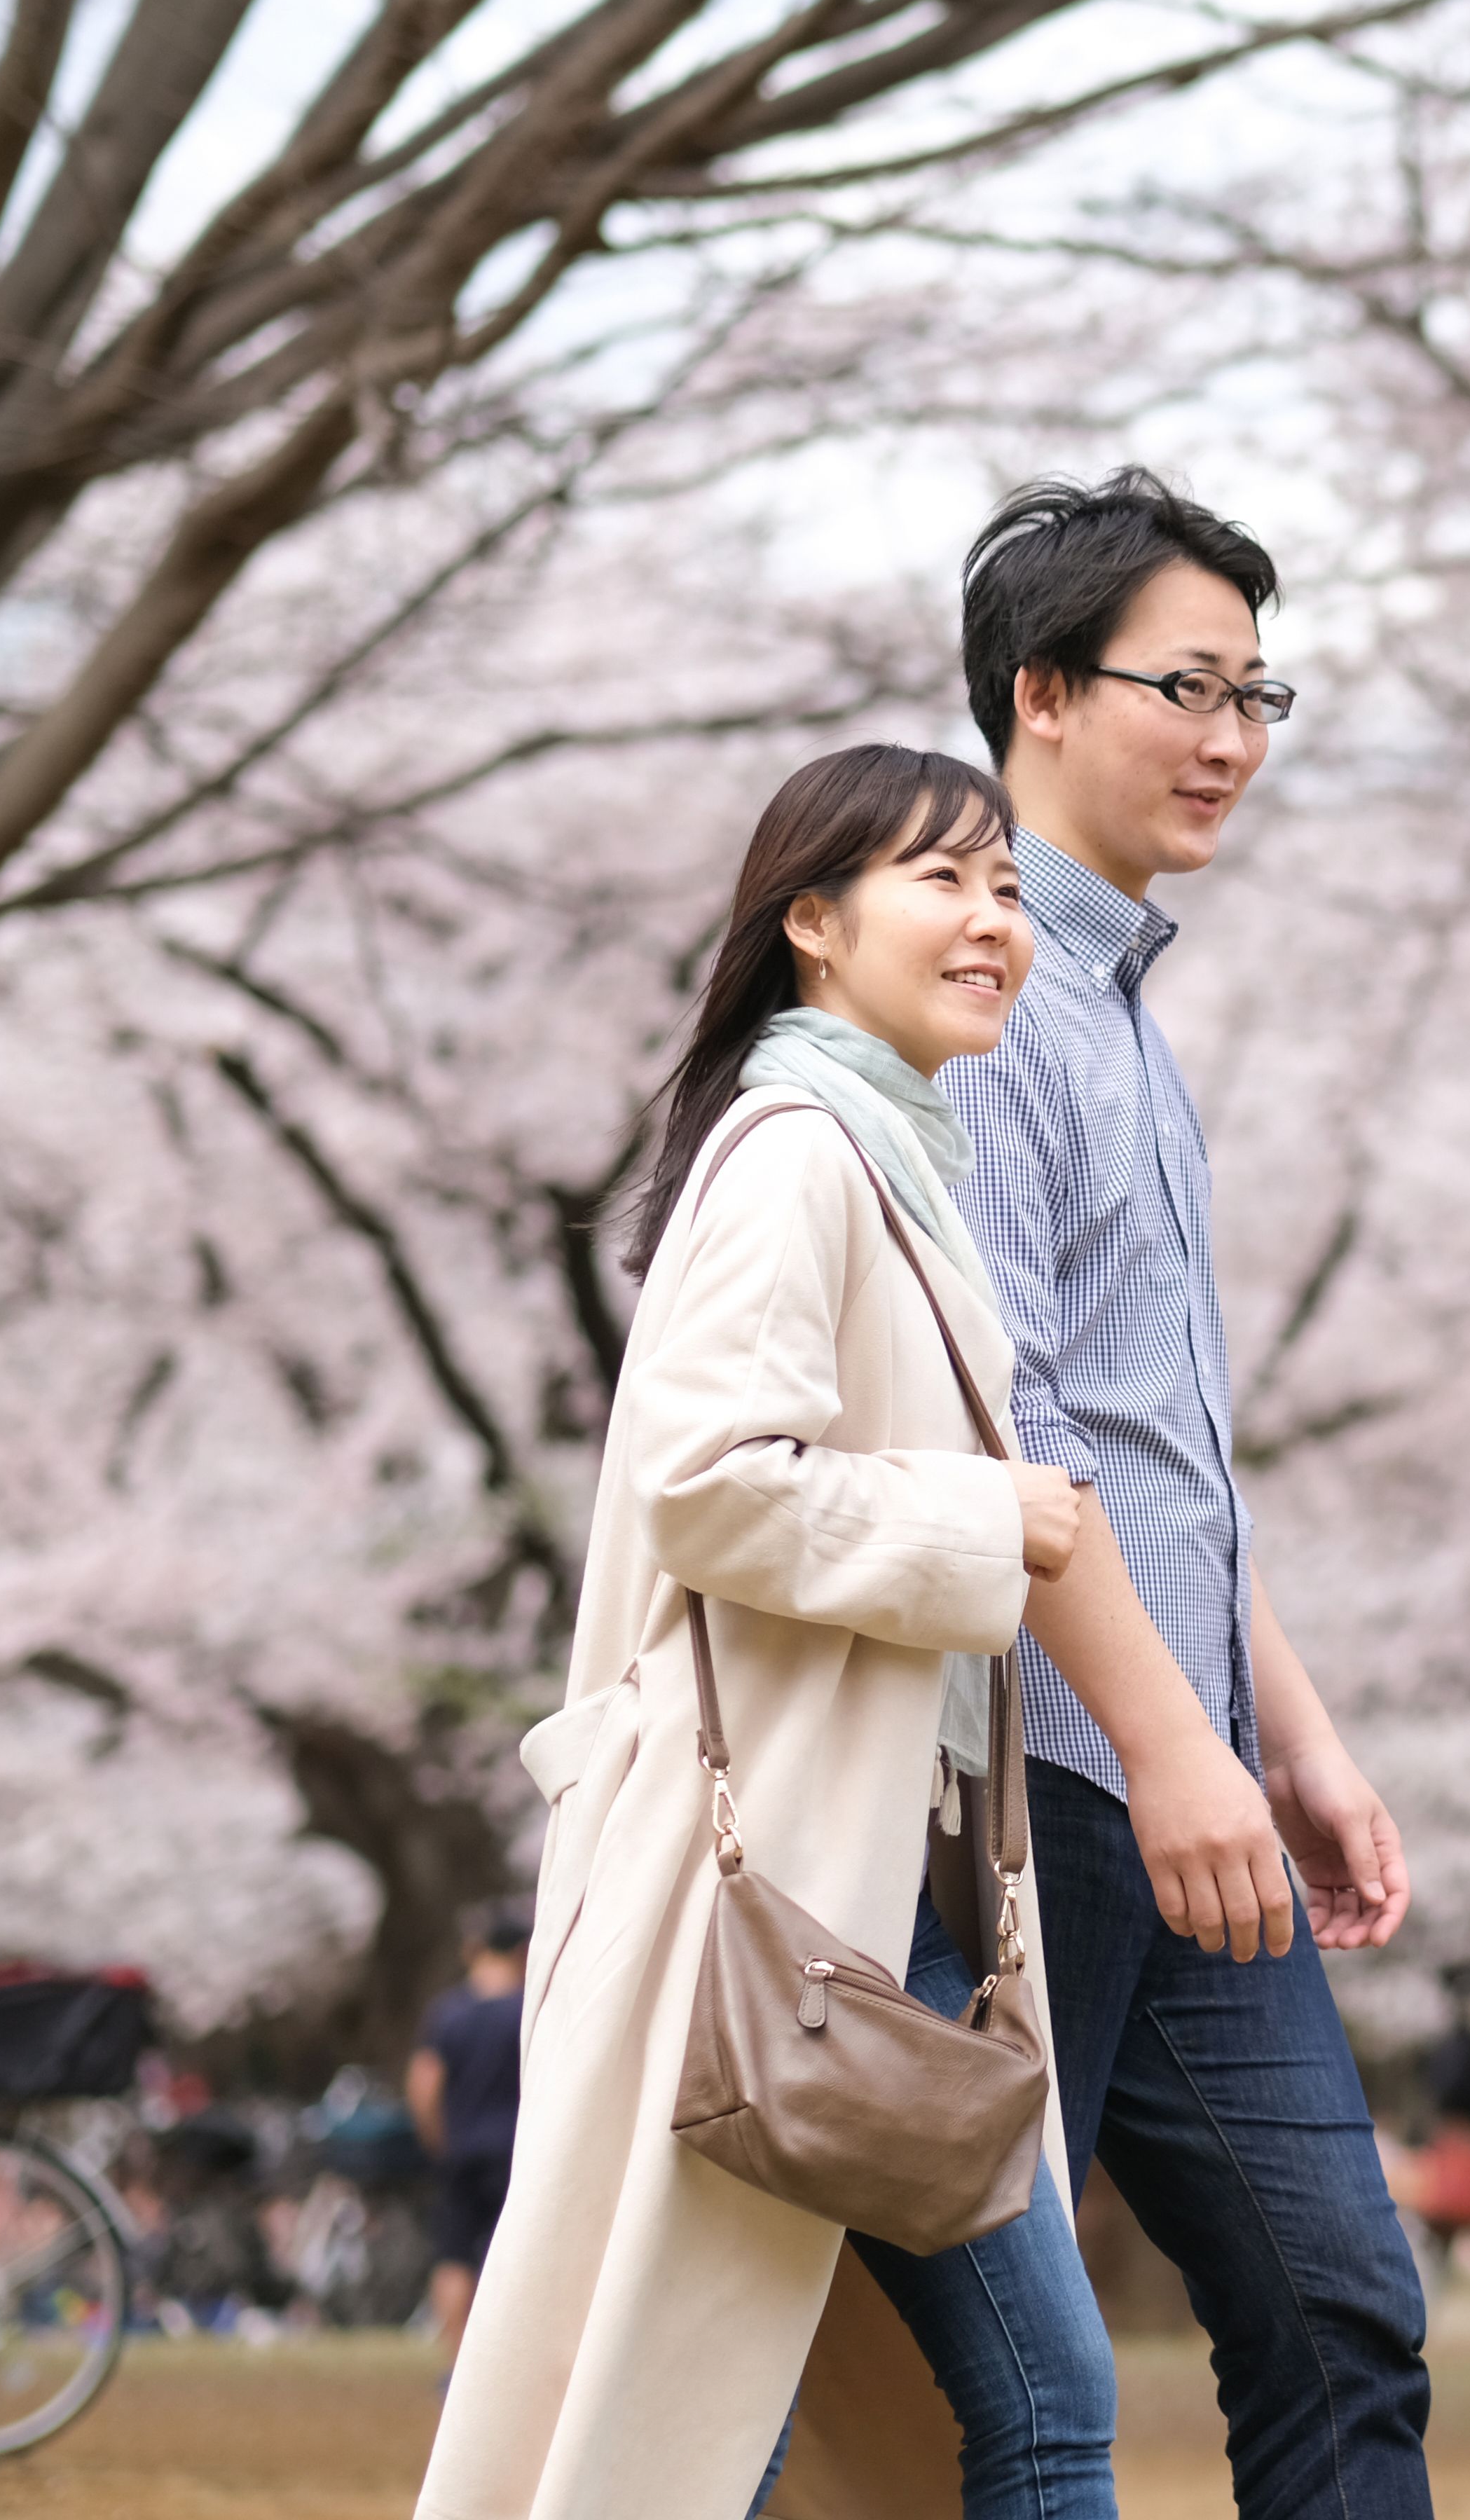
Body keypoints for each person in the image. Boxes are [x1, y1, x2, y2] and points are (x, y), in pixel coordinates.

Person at [416, 745, 1096, 2520]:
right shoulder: (801, 1152)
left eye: (1007, 887)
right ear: (811, 920)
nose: (991, 921)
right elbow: (710, 1485)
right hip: (794, 1894)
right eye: (941, 879)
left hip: (858, 1894)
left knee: (740, 2406)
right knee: (963, 2404)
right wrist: (986, 1523)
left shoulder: (874, 1154)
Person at [943, 471, 1432, 2519]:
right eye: (1189, 686)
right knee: (1000, 2391)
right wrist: (1171, 1750)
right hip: (1049, 1784)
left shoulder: (1132, 1017)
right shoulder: (979, 1004)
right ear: (1044, 693)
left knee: (1340, 2315)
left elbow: (1165, 1445)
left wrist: (1284, 1738)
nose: (1233, 738)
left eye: (1261, 694)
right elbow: (1020, 1443)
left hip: (1187, 1780)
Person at [406, 1908, 528, 2354]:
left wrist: (440, 2142)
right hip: (517, 2153)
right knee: (516, 2255)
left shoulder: (449, 2011)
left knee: (454, 2256)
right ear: (522, 1950)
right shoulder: (529, 2010)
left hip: (462, 2150)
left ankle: (454, 2363)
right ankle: (508, 2358)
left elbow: (424, 2085)